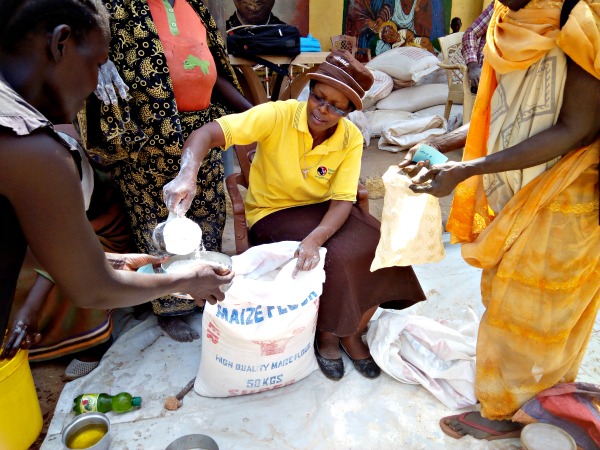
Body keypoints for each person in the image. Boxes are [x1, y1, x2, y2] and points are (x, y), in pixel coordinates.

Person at [399, 0, 599, 440]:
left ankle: (518, 411)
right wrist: (441, 144)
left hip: (567, 195)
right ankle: (525, 403)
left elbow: (576, 128)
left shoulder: (581, 19)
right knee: (509, 300)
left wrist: (467, 170)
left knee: (542, 313)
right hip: (515, 185)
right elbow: (499, 115)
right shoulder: (503, 19)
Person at [164, 50, 427, 381]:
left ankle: (352, 332)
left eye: (335, 106)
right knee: (338, 257)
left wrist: (315, 238)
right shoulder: (278, 115)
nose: (322, 109)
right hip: (273, 212)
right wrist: (187, 173)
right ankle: (328, 336)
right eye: (318, 97)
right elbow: (208, 134)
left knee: (383, 245)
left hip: (324, 211)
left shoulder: (351, 138)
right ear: (311, 90)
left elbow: (344, 199)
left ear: (349, 111)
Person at [0, 0, 233, 352]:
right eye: (98, 63)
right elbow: (92, 288)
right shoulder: (33, 150)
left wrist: (111, 261)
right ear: (60, 44)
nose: (99, 83)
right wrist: (182, 279)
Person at [77, 0, 253, 343]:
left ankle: (203, 291)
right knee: (158, 225)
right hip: (147, 141)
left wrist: (256, 113)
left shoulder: (196, 7)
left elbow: (215, 71)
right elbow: (92, 52)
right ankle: (168, 306)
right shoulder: (117, 7)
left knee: (207, 218)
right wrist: (102, 63)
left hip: (202, 131)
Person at [0, 129, 140, 379]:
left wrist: (31, 309)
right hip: (47, 233)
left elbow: (67, 244)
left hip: (98, 234)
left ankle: (91, 345)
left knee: (74, 279)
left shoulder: (52, 164)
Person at [461, 2, 494, 93]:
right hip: (487, 76)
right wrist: (473, 65)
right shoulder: (499, 6)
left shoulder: (536, 11)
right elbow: (470, 34)